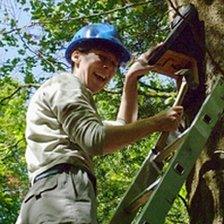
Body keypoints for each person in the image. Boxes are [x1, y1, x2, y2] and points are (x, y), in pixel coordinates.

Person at [16, 23, 183, 224]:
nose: (109, 68)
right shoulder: (66, 84)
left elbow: (122, 128)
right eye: (102, 58)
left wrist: (131, 78)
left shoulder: (69, 105)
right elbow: (96, 140)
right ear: (76, 56)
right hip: (62, 190)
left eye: (114, 64)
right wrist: (157, 122)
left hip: (44, 200)